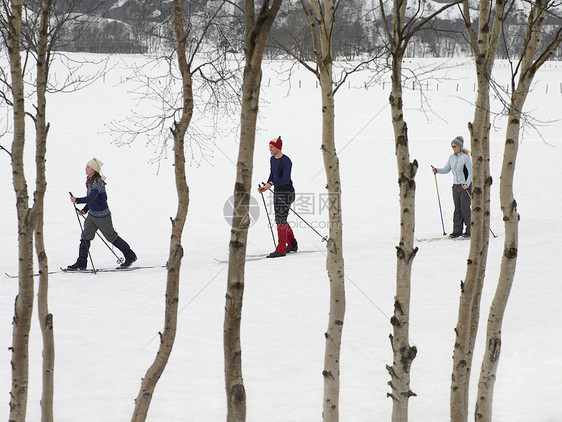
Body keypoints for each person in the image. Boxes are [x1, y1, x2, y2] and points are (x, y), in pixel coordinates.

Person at [67, 158, 137, 270]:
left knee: (112, 237)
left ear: (94, 170)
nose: (85, 168)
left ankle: (130, 256)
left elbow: (92, 197)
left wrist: (77, 200)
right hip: (92, 216)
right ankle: (81, 263)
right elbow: (92, 201)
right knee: (85, 237)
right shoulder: (89, 181)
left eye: (88, 167)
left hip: (103, 216)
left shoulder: (98, 183)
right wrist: (85, 210)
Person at [257, 136, 298, 258]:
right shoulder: (272, 159)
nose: (269, 149)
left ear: (278, 148)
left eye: (272, 147)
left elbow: (285, 179)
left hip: (287, 192)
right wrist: (266, 186)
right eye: (269, 147)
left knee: (280, 220)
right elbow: (272, 174)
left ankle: (281, 249)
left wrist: (271, 184)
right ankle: (292, 243)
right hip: (278, 192)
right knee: (281, 219)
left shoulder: (287, 161)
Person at [432, 136, 472, 238]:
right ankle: (457, 231)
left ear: (459, 146)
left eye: (455, 146)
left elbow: (471, 172)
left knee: (465, 208)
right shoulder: (452, 157)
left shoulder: (465, 158)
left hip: (464, 186)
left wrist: (467, 184)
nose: (453, 148)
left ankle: (470, 230)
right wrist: (437, 170)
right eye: (452, 146)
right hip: (456, 186)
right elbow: (446, 169)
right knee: (457, 209)